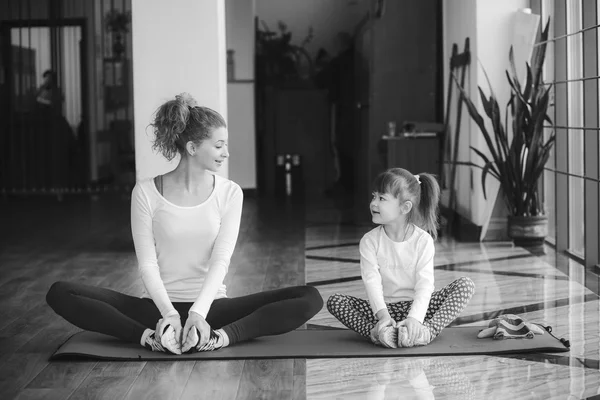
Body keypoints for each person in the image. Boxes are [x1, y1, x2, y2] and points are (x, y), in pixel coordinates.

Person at [46, 93, 323, 354]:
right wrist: (168, 315)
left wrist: (197, 314)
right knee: (60, 292)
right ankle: (152, 338)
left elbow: (221, 260)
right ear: (191, 147)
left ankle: (217, 338)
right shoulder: (145, 192)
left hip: (212, 308)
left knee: (309, 297)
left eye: (225, 144)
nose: (226, 153)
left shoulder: (230, 193)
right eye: (218, 145)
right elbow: (147, 264)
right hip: (155, 308)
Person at [327, 168, 474, 348]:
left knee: (465, 285)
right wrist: (383, 316)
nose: (373, 203)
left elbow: (425, 284)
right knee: (335, 301)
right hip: (383, 310)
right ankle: (381, 332)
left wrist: (414, 318)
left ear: (405, 207)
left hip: (419, 309)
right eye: (374, 196)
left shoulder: (423, 241)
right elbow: (371, 282)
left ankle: (425, 331)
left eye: (382, 198)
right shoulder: (369, 241)